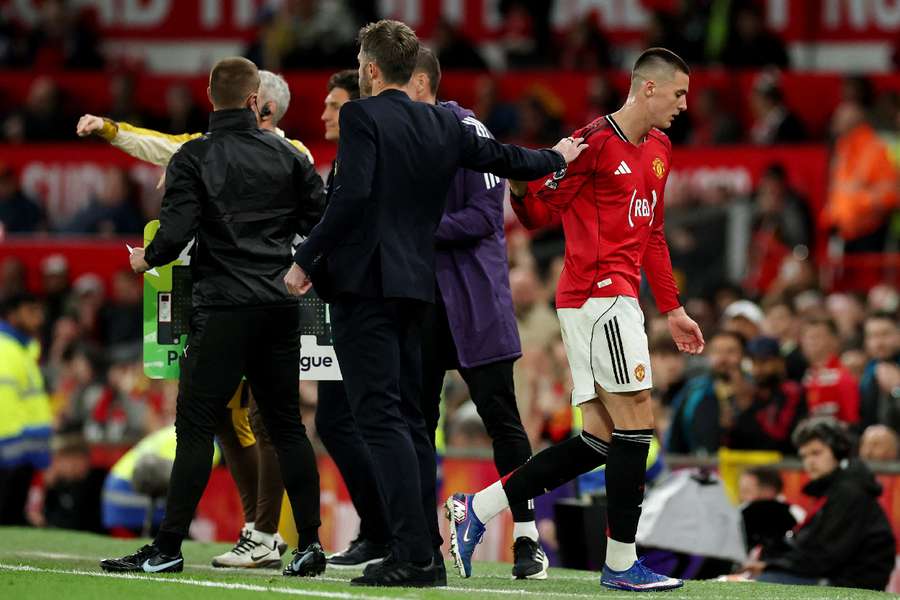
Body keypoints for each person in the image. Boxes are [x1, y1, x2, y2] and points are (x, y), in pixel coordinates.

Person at [284, 19, 585, 587]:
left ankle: (415, 552)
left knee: (389, 421)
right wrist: (556, 154)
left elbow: (352, 199)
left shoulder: (362, 116)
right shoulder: (440, 124)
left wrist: (307, 260)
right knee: (407, 421)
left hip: (371, 287)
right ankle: (418, 549)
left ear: (371, 70)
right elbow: (504, 158)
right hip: (418, 291)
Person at [446, 48, 704, 592]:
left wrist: (673, 307)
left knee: (599, 439)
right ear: (648, 89)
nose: (685, 105)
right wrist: (518, 181)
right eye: (679, 93)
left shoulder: (659, 149)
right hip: (597, 297)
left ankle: (478, 507)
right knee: (637, 429)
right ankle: (620, 564)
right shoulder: (593, 143)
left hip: (619, 299)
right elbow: (539, 214)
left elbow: (652, 233)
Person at [99, 57, 327, 576]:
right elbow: (321, 221)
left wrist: (145, 259)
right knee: (288, 426)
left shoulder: (193, 157)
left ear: (209, 96)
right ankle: (310, 544)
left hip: (223, 307)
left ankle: (168, 547)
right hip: (279, 307)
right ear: (255, 101)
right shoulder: (290, 156)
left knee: (197, 425)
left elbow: (175, 232)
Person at [407, 48, 546, 580]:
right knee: (418, 422)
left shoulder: (471, 132)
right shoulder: (407, 138)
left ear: (421, 83)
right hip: (423, 302)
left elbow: (485, 216)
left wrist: (414, 230)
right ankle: (420, 539)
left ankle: (528, 540)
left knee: (502, 421)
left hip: (473, 301)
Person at [313, 69, 393, 570]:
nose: (324, 113)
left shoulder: (365, 160)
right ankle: (380, 528)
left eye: (333, 105)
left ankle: (384, 529)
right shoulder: (342, 163)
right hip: (334, 300)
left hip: (361, 300)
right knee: (339, 420)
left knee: (349, 421)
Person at [744, 417, 895, 590]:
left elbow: (824, 556)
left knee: (764, 582)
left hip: (851, 585)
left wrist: (772, 566)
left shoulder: (850, 492)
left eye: (816, 453)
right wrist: (773, 561)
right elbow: (810, 546)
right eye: (804, 456)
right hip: (834, 576)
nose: (809, 462)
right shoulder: (834, 489)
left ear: (838, 452)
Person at [0, 292, 52, 525]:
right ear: (12, 315)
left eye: (39, 311)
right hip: (11, 449)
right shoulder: (5, 348)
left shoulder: (24, 350)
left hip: (24, 449)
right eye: (31, 311)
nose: (38, 318)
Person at [667, 331, 747, 455]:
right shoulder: (693, 391)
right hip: (701, 468)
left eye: (731, 351)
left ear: (742, 355)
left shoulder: (755, 390)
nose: (724, 358)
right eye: (717, 352)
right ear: (708, 355)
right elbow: (675, 439)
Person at [727, 336, 806, 454]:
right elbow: (732, 442)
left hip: (783, 467)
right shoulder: (749, 393)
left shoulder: (792, 392)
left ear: (779, 362)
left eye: (764, 362)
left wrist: (747, 409)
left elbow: (780, 440)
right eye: (753, 363)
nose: (757, 369)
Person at [800, 318, 860, 425]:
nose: (810, 342)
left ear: (834, 340)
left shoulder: (843, 376)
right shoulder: (806, 377)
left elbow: (852, 420)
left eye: (816, 337)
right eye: (806, 337)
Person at [859, 312, 900, 431]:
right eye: (872, 336)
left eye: (885, 334)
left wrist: (896, 389)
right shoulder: (866, 372)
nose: (879, 342)